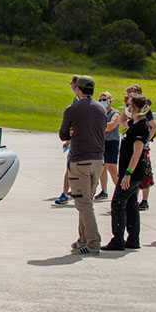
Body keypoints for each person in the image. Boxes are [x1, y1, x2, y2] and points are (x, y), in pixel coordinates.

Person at [59, 75, 106, 255]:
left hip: (80, 160)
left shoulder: (72, 109)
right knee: (86, 200)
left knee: (83, 203)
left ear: (78, 89)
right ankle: (83, 239)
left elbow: (64, 135)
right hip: (98, 160)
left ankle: (93, 242)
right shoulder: (101, 109)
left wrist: (72, 133)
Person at [101, 95, 150, 251]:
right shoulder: (134, 123)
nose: (127, 108)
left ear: (135, 108)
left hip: (132, 173)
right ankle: (133, 239)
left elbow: (137, 153)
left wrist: (128, 173)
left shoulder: (141, 126)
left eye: (129, 105)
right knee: (130, 205)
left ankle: (118, 240)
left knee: (118, 203)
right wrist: (126, 109)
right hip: (128, 172)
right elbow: (122, 122)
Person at [119, 84, 156, 211]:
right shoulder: (130, 109)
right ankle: (134, 198)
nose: (129, 97)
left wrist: (145, 141)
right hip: (133, 140)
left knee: (144, 172)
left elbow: (154, 126)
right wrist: (130, 126)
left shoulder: (144, 111)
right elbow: (122, 120)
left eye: (132, 94)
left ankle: (145, 200)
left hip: (141, 144)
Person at [55, 75, 80, 205]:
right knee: (70, 168)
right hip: (75, 140)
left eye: (72, 83)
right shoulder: (76, 100)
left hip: (81, 142)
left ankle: (66, 193)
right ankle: (65, 192)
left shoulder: (79, 102)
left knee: (71, 168)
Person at [96, 91, 121, 200]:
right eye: (100, 100)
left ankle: (120, 191)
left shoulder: (115, 113)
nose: (102, 102)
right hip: (102, 142)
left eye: (104, 99)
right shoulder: (99, 113)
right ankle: (104, 190)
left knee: (112, 167)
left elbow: (111, 126)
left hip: (112, 142)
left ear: (110, 101)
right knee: (102, 167)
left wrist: (97, 127)